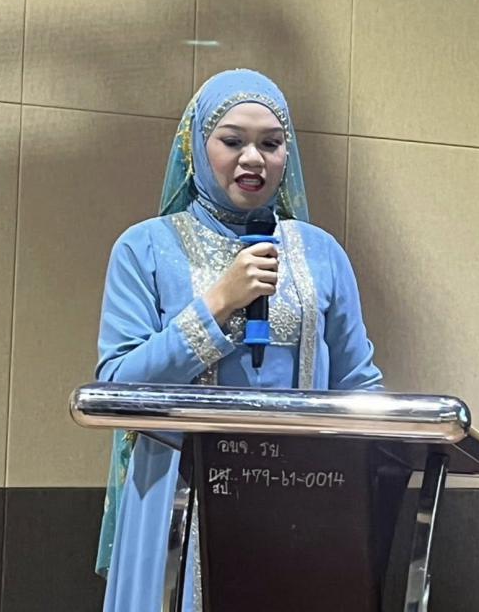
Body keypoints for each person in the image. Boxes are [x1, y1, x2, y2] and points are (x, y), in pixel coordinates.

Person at [94, 69, 383, 611]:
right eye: (232, 141)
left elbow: (358, 383)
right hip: (176, 501)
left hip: (302, 499)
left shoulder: (321, 253)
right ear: (196, 149)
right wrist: (217, 304)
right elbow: (117, 387)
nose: (253, 159)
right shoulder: (145, 248)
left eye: (270, 144)